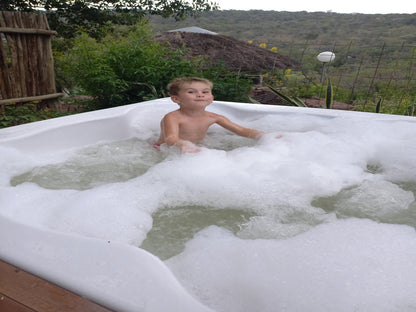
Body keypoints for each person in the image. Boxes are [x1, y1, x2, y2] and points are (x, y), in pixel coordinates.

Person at [154, 77, 265, 153]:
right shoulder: (173, 117)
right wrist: (182, 144)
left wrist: (264, 136)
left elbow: (242, 131)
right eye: (191, 92)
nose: (200, 95)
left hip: (192, 147)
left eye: (205, 92)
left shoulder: (214, 117)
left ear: (211, 98)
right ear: (176, 99)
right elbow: (171, 138)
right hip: (163, 150)